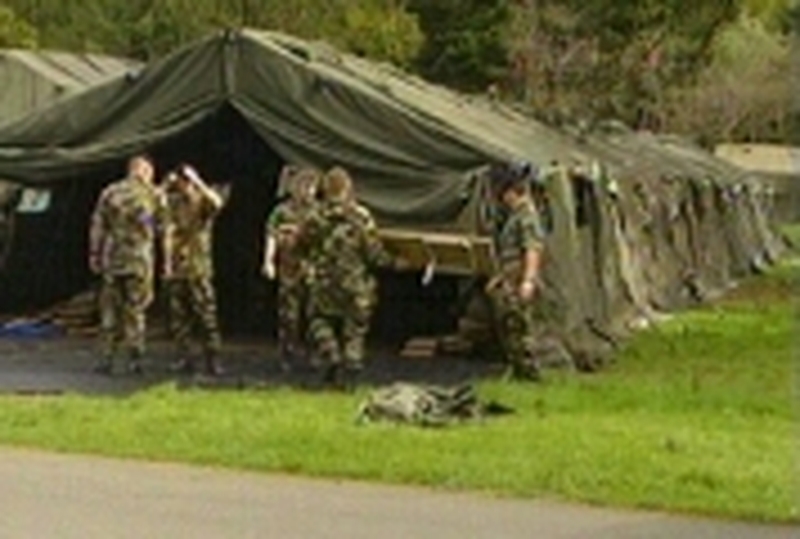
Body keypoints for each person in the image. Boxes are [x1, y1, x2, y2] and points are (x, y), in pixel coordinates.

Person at [296, 167, 399, 389]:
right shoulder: (360, 217)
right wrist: (395, 263)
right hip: (355, 285)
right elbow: (374, 254)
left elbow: (299, 245)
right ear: (348, 189)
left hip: (324, 283)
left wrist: (310, 265)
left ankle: (330, 352)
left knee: (318, 320)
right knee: (355, 329)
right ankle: (351, 367)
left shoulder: (314, 217)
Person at [89, 154, 164, 374]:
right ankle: (136, 359)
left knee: (109, 313)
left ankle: (106, 359)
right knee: (136, 310)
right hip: (140, 261)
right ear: (145, 170)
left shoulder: (110, 192)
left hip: (113, 259)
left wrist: (94, 253)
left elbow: (97, 225)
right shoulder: (154, 194)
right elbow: (163, 228)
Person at [485, 162, 546, 381]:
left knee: (521, 328)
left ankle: (531, 373)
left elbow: (532, 248)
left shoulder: (526, 215)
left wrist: (528, 280)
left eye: (505, 194)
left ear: (513, 192)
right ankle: (518, 370)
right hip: (508, 277)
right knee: (509, 326)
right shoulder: (514, 216)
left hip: (518, 276)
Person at [162, 164, 225, 376]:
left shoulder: (202, 201)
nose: (185, 185)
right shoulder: (173, 203)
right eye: (182, 181)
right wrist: (164, 185)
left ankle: (213, 358)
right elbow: (159, 222)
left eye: (186, 181)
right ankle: (185, 358)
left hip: (199, 268)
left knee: (206, 316)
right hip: (178, 268)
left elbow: (217, 203)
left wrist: (198, 181)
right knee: (180, 318)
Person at [262, 166, 320, 369]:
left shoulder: (319, 212)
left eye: (312, 186)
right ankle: (287, 354)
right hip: (289, 270)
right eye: (304, 186)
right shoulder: (282, 211)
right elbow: (271, 235)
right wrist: (268, 261)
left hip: (312, 270)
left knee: (314, 315)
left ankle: (314, 354)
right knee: (289, 315)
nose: (308, 191)